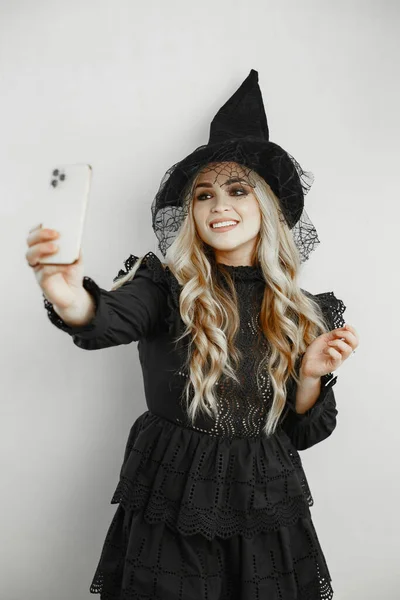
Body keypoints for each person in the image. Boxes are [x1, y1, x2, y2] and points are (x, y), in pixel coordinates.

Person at [26, 69, 359, 599]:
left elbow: (302, 434)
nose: (218, 204)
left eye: (236, 190)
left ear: (268, 206)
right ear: (192, 213)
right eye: (203, 195)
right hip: (174, 495)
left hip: (266, 504)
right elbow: (111, 317)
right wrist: (69, 296)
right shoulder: (165, 286)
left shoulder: (305, 311)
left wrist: (312, 376)